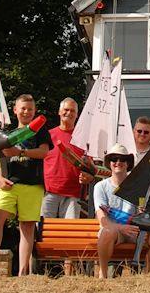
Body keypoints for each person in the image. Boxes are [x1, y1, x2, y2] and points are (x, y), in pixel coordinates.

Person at [0, 94, 53, 276]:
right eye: (23, 108)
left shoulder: (40, 131)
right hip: (10, 183)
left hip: (32, 184)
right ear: (15, 110)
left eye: (30, 109)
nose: (26, 112)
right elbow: (2, 157)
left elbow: (44, 152)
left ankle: (23, 272)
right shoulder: (6, 133)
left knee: (27, 225)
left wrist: (21, 151)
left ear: (34, 111)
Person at [94, 143, 150, 279]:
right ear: (109, 163)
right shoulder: (100, 186)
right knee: (106, 232)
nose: (118, 162)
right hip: (113, 230)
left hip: (135, 230)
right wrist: (121, 228)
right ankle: (103, 275)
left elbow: (144, 214)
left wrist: (144, 218)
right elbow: (102, 220)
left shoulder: (138, 186)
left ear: (128, 163)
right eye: (114, 159)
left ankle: (143, 276)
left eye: (123, 159)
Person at [41, 97, 92, 276]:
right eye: (66, 110)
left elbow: (90, 167)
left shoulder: (82, 138)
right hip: (49, 192)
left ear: (77, 115)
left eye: (72, 111)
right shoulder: (48, 135)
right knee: (42, 231)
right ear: (59, 112)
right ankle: (41, 271)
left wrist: (87, 176)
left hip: (73, 194)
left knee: (71, 234)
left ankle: (68, 274)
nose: (68, 113)